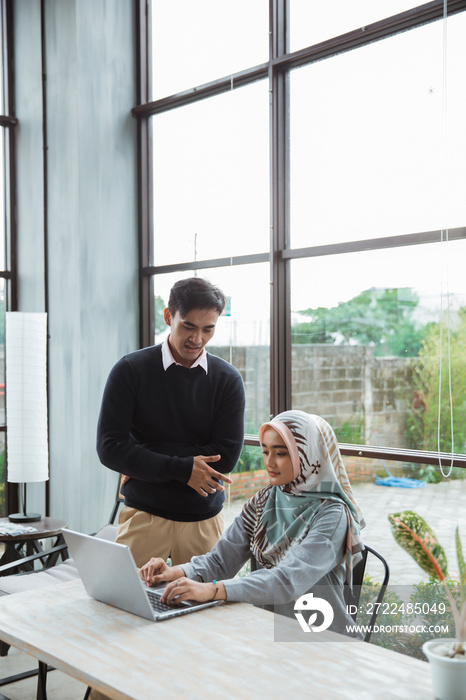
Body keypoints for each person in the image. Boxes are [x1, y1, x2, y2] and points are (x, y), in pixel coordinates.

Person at [140, 410, 365, 637]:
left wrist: (213, 590)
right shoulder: (264, 501)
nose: (269, 462)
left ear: (307, 455)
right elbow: (220, 561)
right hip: (270, 632)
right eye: (265, 451)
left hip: (324, 642)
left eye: (281, 453)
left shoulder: (332, 514)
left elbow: (287, 581)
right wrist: (174, 572)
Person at [96, 277, 246, 568]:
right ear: (168, 316)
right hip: (143, 518)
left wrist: (146, 456)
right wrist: (184, 468)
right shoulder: (130, 370)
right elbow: (110, 448)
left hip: (203, 522)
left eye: (208, 329)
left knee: (206, 611)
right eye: (188, 326)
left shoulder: (227, 379)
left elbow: (224, 458)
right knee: (126, 607)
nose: (197, 339)